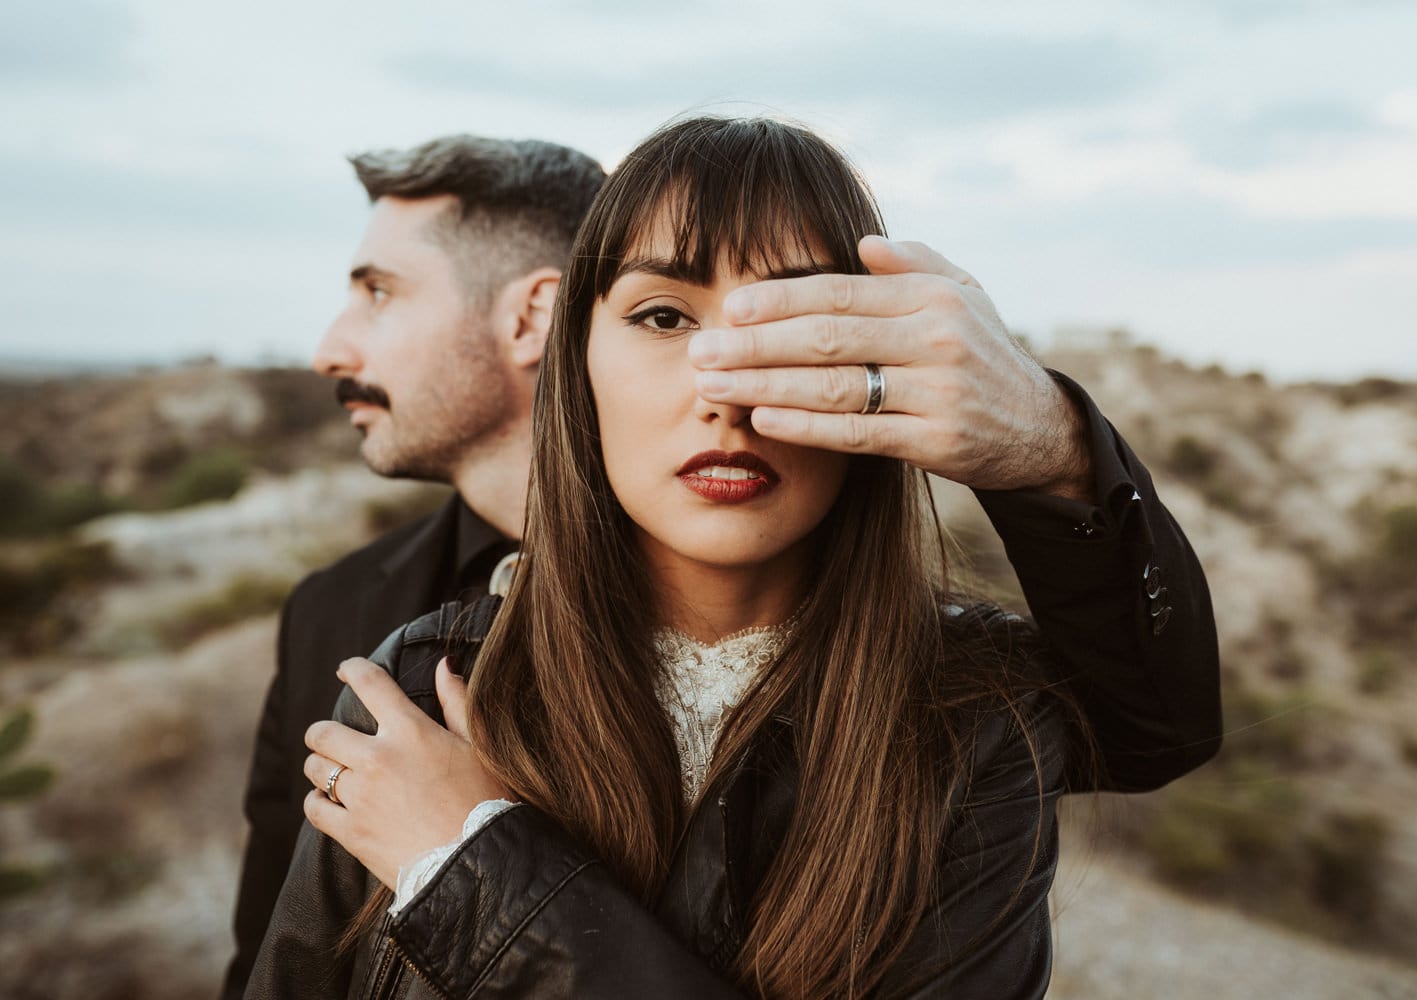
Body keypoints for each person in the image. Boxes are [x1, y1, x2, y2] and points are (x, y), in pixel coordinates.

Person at [247, 115, 1219, 998]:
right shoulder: (414, 687)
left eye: (789, 324)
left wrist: (473, 872)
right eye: (663, 317)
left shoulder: (971, 732)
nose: (723, 392)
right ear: (573, 359)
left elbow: (1160, 721)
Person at [223, 136, 606, 999]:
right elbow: (273, 963)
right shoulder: (331, 611)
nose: (331, 351)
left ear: (531, 317)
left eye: (379, 293)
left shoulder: (734, 600)